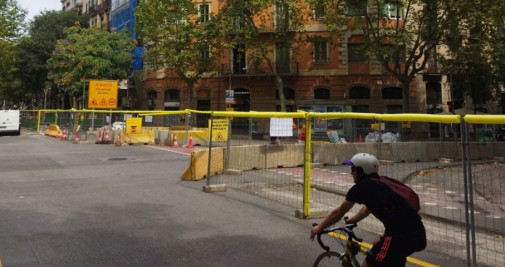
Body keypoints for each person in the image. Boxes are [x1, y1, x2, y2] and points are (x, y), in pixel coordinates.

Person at [310, 153, 426, 267]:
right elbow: (368, 207)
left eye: (353, 170)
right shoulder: (381, 182)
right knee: (382, 249)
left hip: (398, 237)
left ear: (361, 171)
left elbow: (339, 212)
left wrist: (320, 228)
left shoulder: (361, 187)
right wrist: (353, 219)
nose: (351, 173)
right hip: (418, 233)